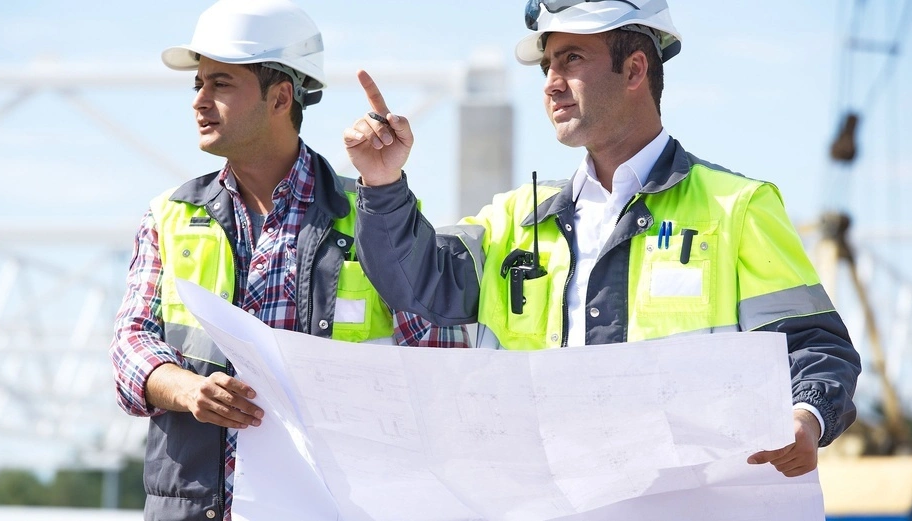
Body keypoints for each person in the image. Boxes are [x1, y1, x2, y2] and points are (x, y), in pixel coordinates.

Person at [344, 0, 861, 479]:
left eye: (571, 59)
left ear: (635, 69)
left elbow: (814, 345)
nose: (550, 83)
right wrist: (383, 184)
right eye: (547, 64)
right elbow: (412, 281)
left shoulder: (737, 208)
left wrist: (807, 416)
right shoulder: (512, 218)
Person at [109, 1, 468, 519]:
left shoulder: (373, 216)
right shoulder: (168, 216)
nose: (200, 102)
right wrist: (188, 390)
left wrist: (384, 187)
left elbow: (439, 368)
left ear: (280, 97)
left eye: (221, 84)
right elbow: (129, 346)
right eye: (198, 85)